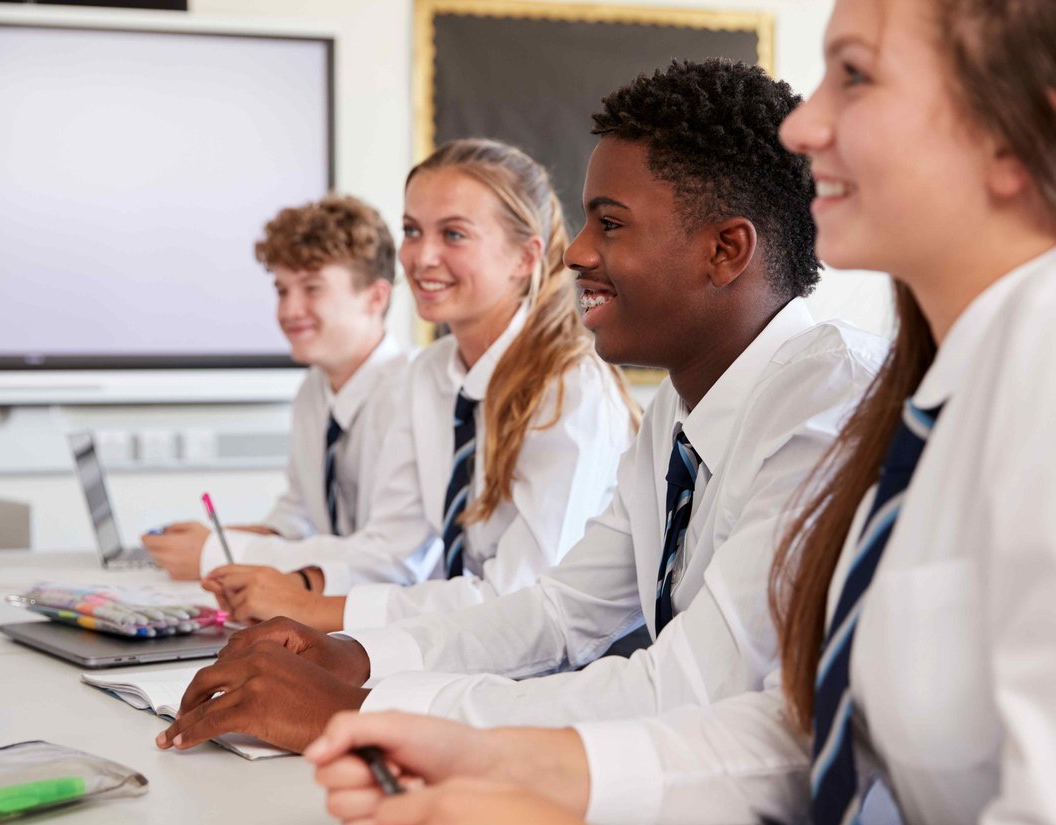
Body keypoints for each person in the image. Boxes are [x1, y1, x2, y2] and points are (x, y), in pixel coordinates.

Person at [306, 0, 1056, 825]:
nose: (806, 128)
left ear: (1018, 136)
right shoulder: (931, 389)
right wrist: (488, 752)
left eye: (855, 75)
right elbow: (805, 726)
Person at [155, 59, 887, 753]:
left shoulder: (825, 406)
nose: (577, 254)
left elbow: (691, 687)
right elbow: (558, 609)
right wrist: (353, 656)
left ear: (726, 250)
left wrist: (364, 711)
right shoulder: (681, 408)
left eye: (612, 223)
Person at [191, 138, 638, 633]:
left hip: (557, 669)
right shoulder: (429, 374)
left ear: (524, 258)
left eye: (453, 234)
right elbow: (394, 551)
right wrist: (290, 584)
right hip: (460, 646)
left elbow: (521, 599)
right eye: (411, 230)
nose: (422, 256)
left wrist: (312, 609)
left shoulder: (569, 390)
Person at [141, 194, 416, 582]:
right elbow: (300, 515)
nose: (288, 311)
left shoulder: (412, 394)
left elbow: (387, 559)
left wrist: (224, 553)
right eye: (283, 290)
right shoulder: (313, 391)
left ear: (376, 296)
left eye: (312, 288)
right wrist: (218, 541)